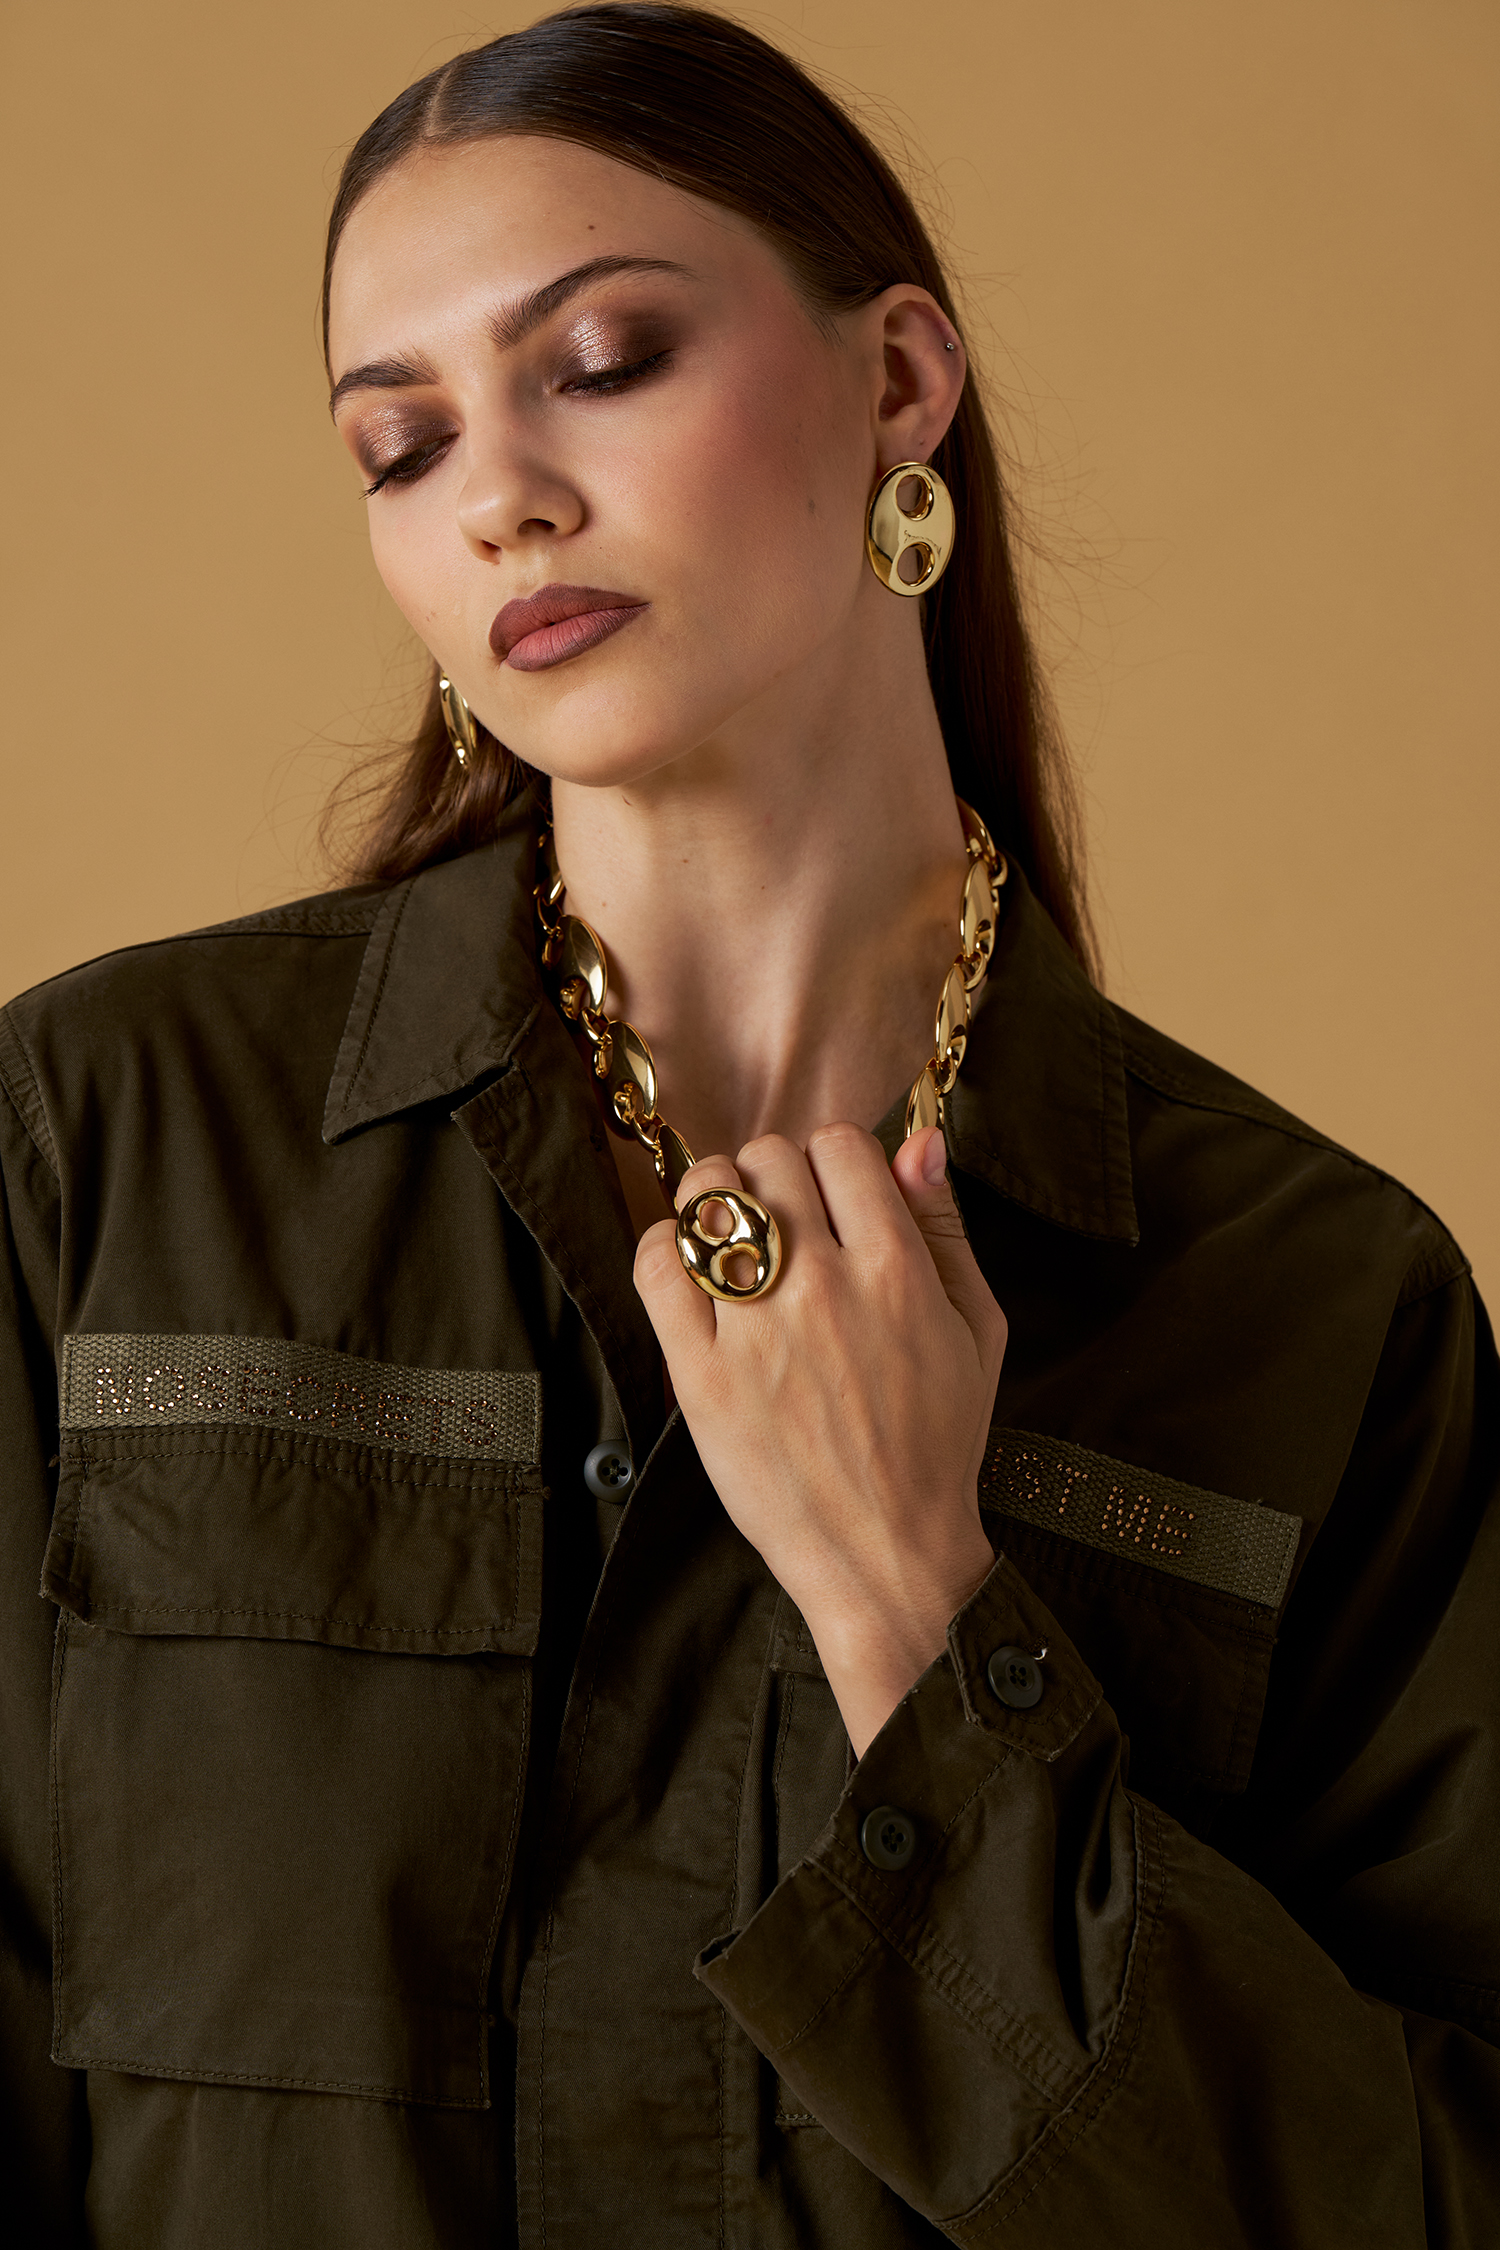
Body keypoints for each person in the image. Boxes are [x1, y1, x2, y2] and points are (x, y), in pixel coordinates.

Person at [1, 5, 1495, 2243]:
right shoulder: (103, 1149)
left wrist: (919, 1607)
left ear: (899, 382)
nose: (496, 493)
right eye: (400, 446)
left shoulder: (1313, 1306)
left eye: (602, 360)